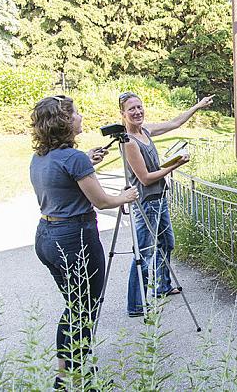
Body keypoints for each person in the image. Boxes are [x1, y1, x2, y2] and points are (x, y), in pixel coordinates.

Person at [30, 95, 138, 386]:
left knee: (74, 306)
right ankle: (75, 376)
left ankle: (66, 372)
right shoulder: (74, 159)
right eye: (75, 113)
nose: (80, 116)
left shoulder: (42, 157)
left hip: (47, 236)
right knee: (84, 307)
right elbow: (102, 201)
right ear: (63, 121)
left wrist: (86, 162)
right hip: (75, 238)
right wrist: (126, 196)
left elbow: (61, 182)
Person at [119, 91, 214, 317]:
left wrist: (198, 106)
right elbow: (145, 178)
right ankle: (136, 304)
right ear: (122, 114)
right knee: (144, 254)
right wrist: (175, 165)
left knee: (166, 243)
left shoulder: (145, 131)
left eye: (139, 107)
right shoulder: (129, 142)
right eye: (131, 109)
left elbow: (174, 123)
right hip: (146, 203)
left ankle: (163, 285)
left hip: (159, 198)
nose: (137, 112)